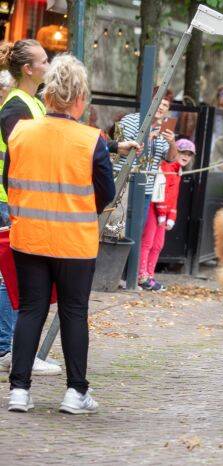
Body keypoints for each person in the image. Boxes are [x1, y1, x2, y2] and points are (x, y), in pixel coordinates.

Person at [3, 54, 115, 413]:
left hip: (29, 236)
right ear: (80, 99)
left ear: (48, 95)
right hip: (75, 243)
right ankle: (75, 392)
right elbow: (107, 192)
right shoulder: (91, 139)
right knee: (73, 311)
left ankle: (19, 390)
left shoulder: (21, 132)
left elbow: (9, 181)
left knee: (31, 310)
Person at [0, 39, 57, 376]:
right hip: (9, 202)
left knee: (13, 277)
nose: (48, 65)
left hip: (18, 200)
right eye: (44, 60)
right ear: (28, 69)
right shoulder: (15, 108)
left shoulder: (33, 103)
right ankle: (9, 348)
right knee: (11, 277)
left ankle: (11, 346)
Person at [112, 87, 177, 221]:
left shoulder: (165, 129)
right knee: (114, 229)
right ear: (150, 102)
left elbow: (170, 159)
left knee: (136, 235)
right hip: (123, 186)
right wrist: (148, 139)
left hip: (146, 191)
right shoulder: (129, 120)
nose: (161, 107)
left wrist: (172, 143)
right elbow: (118, 150)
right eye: (158, 102)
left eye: (165, 105)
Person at [138, 139, 194, 291]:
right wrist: (163, 214)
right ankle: (141, 275)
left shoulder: (177, 171)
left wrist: (171, 216)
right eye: (183, 152)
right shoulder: (166, 167)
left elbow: (173, 197)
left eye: (189, 154)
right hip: (154, 208)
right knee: (148, 242)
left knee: (158, 245)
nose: (186, 156)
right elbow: (161, 193)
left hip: (163, 213)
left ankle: (149, 275)